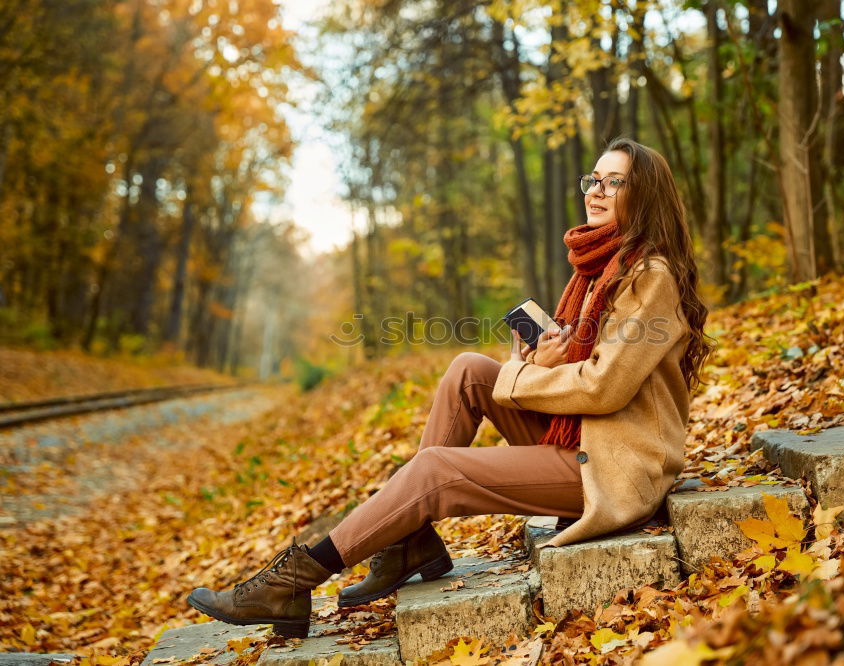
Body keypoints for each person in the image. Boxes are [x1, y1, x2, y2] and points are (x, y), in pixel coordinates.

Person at [186, 136, 713, 638]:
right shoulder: (597, 270)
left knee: (436, 470)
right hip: (584, 440)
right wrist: (529, 359)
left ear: (644, 196)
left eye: (614, 183)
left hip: (616, 466)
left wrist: (525, 375)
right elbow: (568, 372)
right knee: (467, 367)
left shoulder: (650, 275)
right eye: (593, 179)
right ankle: (410, 541)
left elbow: (603, 388)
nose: (595, 191)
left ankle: (294, 581)